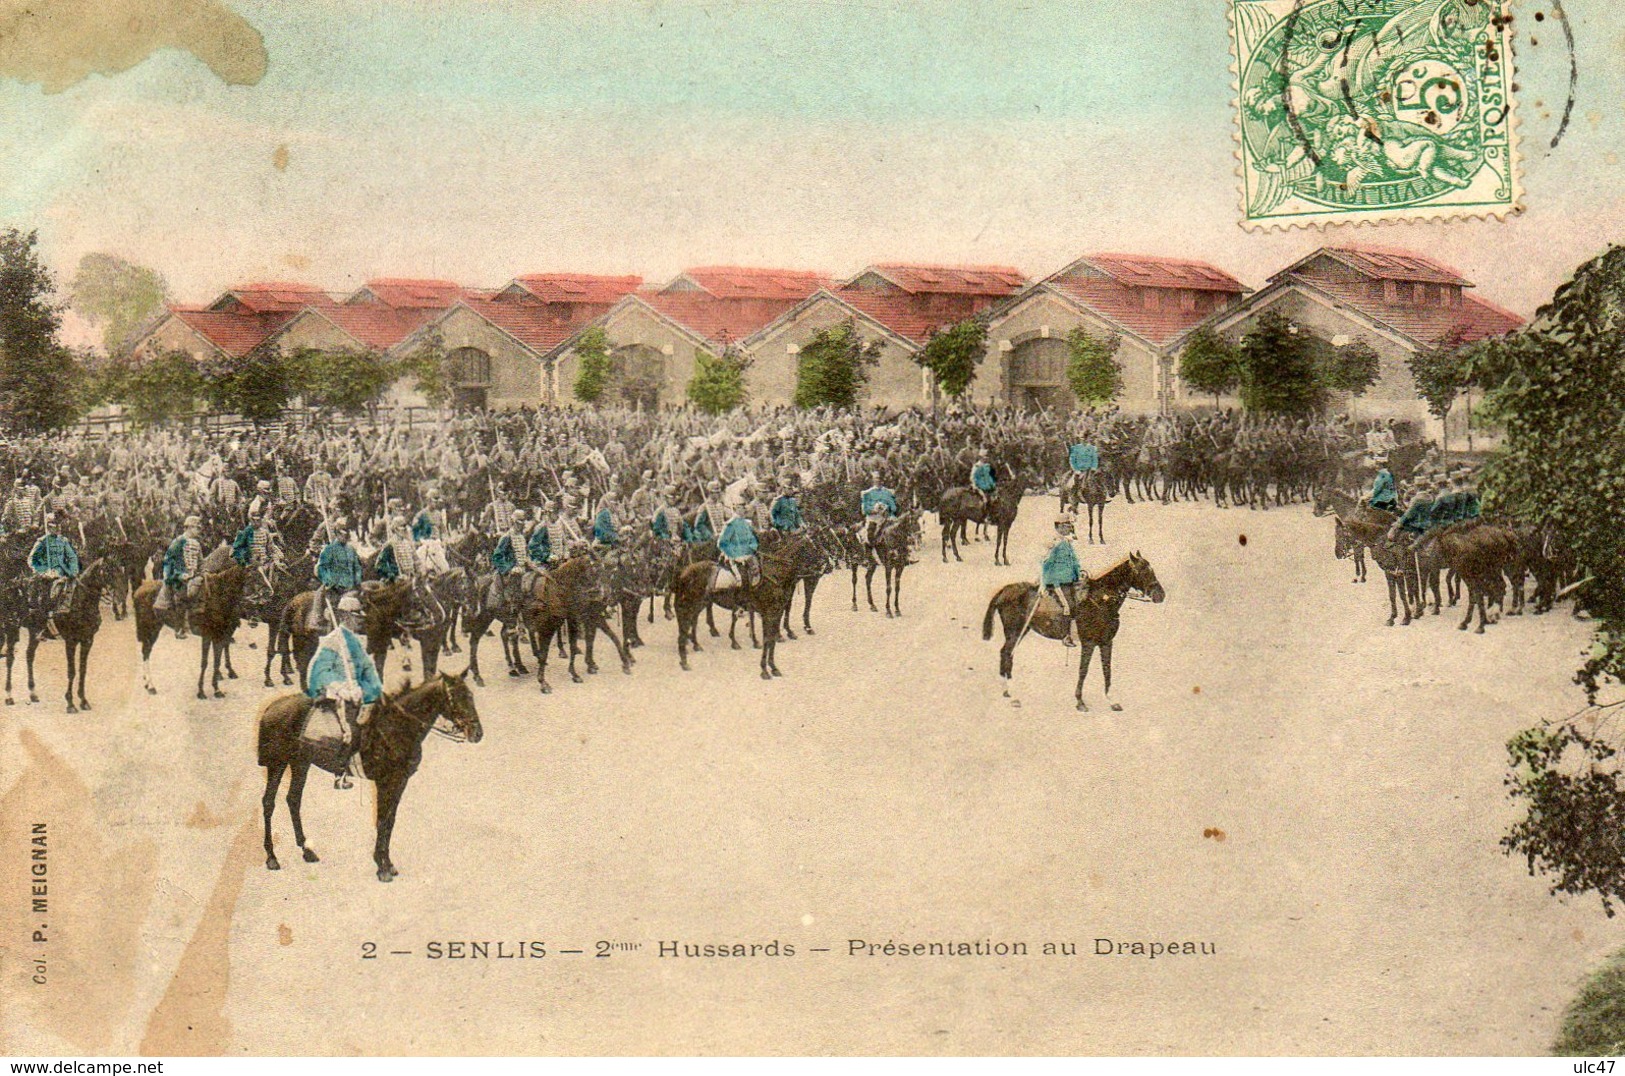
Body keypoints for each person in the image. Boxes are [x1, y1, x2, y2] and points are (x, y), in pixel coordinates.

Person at [305, 593, 383, 790]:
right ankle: (340, 773)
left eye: (360, 617)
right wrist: (343, 689)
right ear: (345, 616)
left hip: (358, 691)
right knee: (350, 728)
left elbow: (368, 669)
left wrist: (372, 690)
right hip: (336, 693)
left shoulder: (358, 640)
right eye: (356, 616)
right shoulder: (332, 640)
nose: (359, 620)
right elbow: (319, 671)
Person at [28, 512, 79, 640]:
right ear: (49, 527)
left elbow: (72, 557)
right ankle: (41, 628)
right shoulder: (42, 541)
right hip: (47, 576)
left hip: (63, 574)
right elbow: (32, 559)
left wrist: (73, 570)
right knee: (45, 598)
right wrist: (43, 571)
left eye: (58, 527)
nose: (57, 529)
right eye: (54, 527)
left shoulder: (63, 541)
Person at [309, 517, 364, 632]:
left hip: (350, 585)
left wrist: (357, 577)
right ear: (336, 533)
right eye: (341, 533)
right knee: (320, 593)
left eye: (346, 533)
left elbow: (357, 566)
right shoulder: (329, 550)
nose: (344, 536)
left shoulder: (351, 549)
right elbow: (319, 569)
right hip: (334, 586)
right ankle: (317, 618)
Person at [155, 515, 206, 638]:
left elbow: (200, 562)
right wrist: (179, 575)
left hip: (192, 577)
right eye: (197, 528)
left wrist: (201, 574)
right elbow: (168, 561)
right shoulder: (178, 541)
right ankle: (179, 629)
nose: (199, 531)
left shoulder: (197, 544)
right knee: (181, 597)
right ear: (189, 527)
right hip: (178, 577)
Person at [1039, 515, 1086, 647]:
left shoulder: (1066, 542)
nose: (1069, 528)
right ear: (1058, 526)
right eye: (1066, 525)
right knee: (1067, 606)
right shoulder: (1054, 542)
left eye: (1069, 525)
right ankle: (1066, 636)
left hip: (1069, 580)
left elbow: (1074, 561)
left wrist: (1079, 575)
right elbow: (1045, 563)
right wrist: (1043, 583)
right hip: (1056, 581)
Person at [491, 510, 536, 613]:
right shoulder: (506, 537)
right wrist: (509, 569)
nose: (521, 526)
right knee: (515, 591)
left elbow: (525, 555)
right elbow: (497, 557)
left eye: (522, 523)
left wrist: (533, 565)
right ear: (514, 523)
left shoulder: (521, 537)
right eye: (519, 523)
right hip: (510, 573)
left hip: (523, 569)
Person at [716, 505, 761, 589]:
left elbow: (753, 540)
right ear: (735, 509)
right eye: (741, 507)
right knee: (741, 580)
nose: (744, 509)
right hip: (735, 558)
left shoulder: (747, 523)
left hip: (749, 555)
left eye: (744, 508)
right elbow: (721, 543)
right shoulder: (730, 524)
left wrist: (752, 548)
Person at [859, 472, 898, 550]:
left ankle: (903, 554)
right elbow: (864, 510)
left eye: (879, 478)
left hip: (886, 519)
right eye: (875, 478)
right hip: (874, 520)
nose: (878, 480)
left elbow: (894, 507)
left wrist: (889, 510)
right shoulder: (867, 493)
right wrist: (876, 510)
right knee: (871, 538)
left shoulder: (888, 492)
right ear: (872, 480)